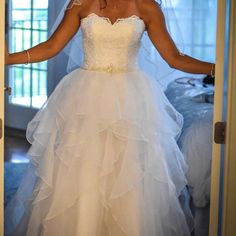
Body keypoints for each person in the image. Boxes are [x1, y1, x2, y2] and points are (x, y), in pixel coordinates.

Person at [4, 0, 215, 235]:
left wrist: (221, 68)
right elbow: (52, 46)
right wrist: (8, 59)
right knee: (84, 168)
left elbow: (174, 58)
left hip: (131, 102)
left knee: (128, 173)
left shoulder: (148, 7)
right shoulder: (81, 4)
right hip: (86, 99)